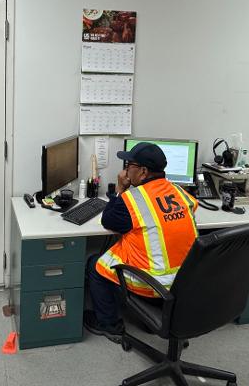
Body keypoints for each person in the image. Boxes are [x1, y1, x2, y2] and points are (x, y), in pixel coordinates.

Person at [83, 141, 199, 340]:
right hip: (184, 281)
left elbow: (107, 220)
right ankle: (155, 314)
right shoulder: (180, 193)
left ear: (143, 172)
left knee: (95, 265)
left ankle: (109, 324)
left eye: (129, 166)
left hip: (154, 281)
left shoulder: (133, 200)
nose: (126, 170)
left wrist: (121, 188)